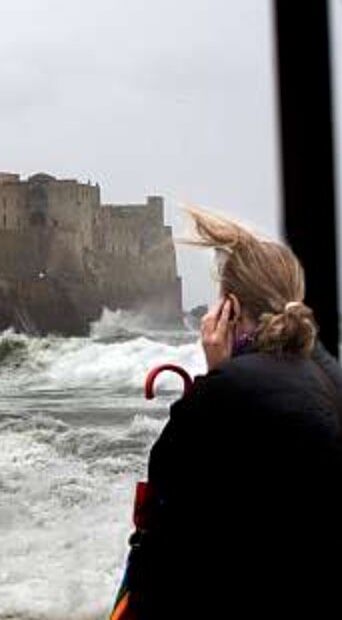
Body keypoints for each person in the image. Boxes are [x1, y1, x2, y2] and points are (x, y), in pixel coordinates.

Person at [124, 208, 342, 619]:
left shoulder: (225, 391)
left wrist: (215, 373)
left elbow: (165, 501)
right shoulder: (333, 379)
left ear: (229, 309)